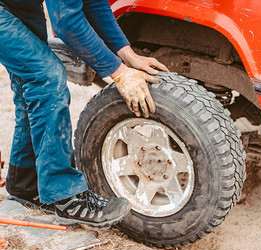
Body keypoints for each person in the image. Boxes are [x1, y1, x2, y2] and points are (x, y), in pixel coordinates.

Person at [0, 0, 169, 227]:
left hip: (21, 4)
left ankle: (25, 183)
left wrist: (129, 56)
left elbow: (95, 3)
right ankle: (67, 198)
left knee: (29, 84)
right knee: (46, 76)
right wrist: (120, 73)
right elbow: (66, 21)